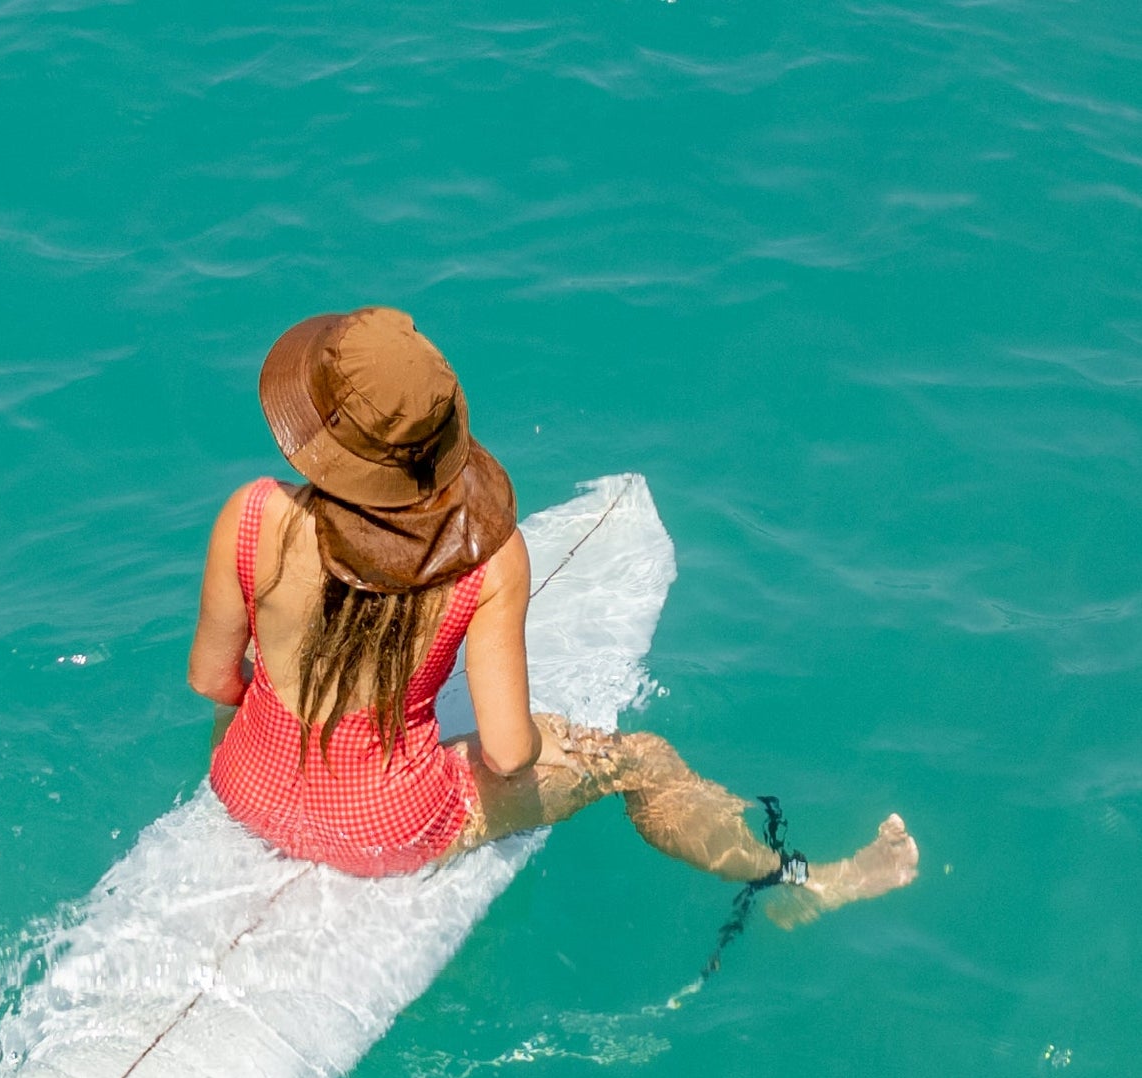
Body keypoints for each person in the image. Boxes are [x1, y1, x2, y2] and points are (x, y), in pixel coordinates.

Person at [188, 307, 918, 917]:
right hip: (387, 826)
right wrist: (562, 743)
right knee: (642, 759)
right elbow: (508, 753)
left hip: (244, 785)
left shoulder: (249, 514)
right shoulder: (486, 562)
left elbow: (215, 680)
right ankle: (808, 884)